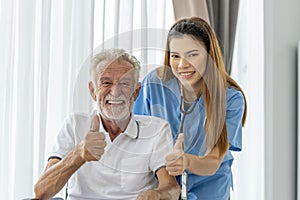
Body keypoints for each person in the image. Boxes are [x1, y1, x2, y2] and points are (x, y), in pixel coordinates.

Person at [34, 48, 180, 200]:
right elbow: (41, 192)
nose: (115, 92)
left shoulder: (157, 129)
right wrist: (78, 155)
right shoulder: (75, 124)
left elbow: (172, 189)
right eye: (106, 83)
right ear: (93, 91)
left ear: (136, 92)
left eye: (124, 83)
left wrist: (156, 194)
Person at [133, 17, 247, 200]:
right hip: (163, 186)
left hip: (210, 188)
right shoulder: (154, 84)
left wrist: (186, 160)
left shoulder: (231, 99)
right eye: (175, 55)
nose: (182, 65)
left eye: (192, 54)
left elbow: (214, 160)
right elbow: (137, 137)